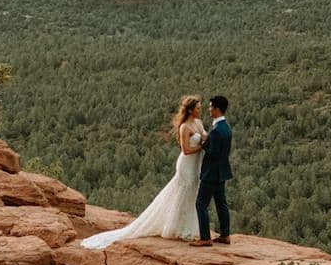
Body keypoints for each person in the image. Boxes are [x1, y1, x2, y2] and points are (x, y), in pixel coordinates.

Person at [81, 95, 206, 249]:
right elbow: (186, 150)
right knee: (184, 193)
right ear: (190, 110)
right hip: (186, 164)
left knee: (193, 193)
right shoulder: (184, 127)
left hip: (196, 164)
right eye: (198, 107)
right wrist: (203, 147)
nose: (200, 110)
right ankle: (179, 228)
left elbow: (205, 136)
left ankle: (188, 227)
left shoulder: (199, 123)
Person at [190, 95, 232, 245]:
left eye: (210, 107)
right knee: (221, 203)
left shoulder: (216, 130)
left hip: (211, 172)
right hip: (222, 171)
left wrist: (203, 142)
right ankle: (225, 235)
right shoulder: (226, 127)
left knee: (201, 204)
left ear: (217, 109)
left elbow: (212, 152)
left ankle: (205, 238)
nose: (209, 109)